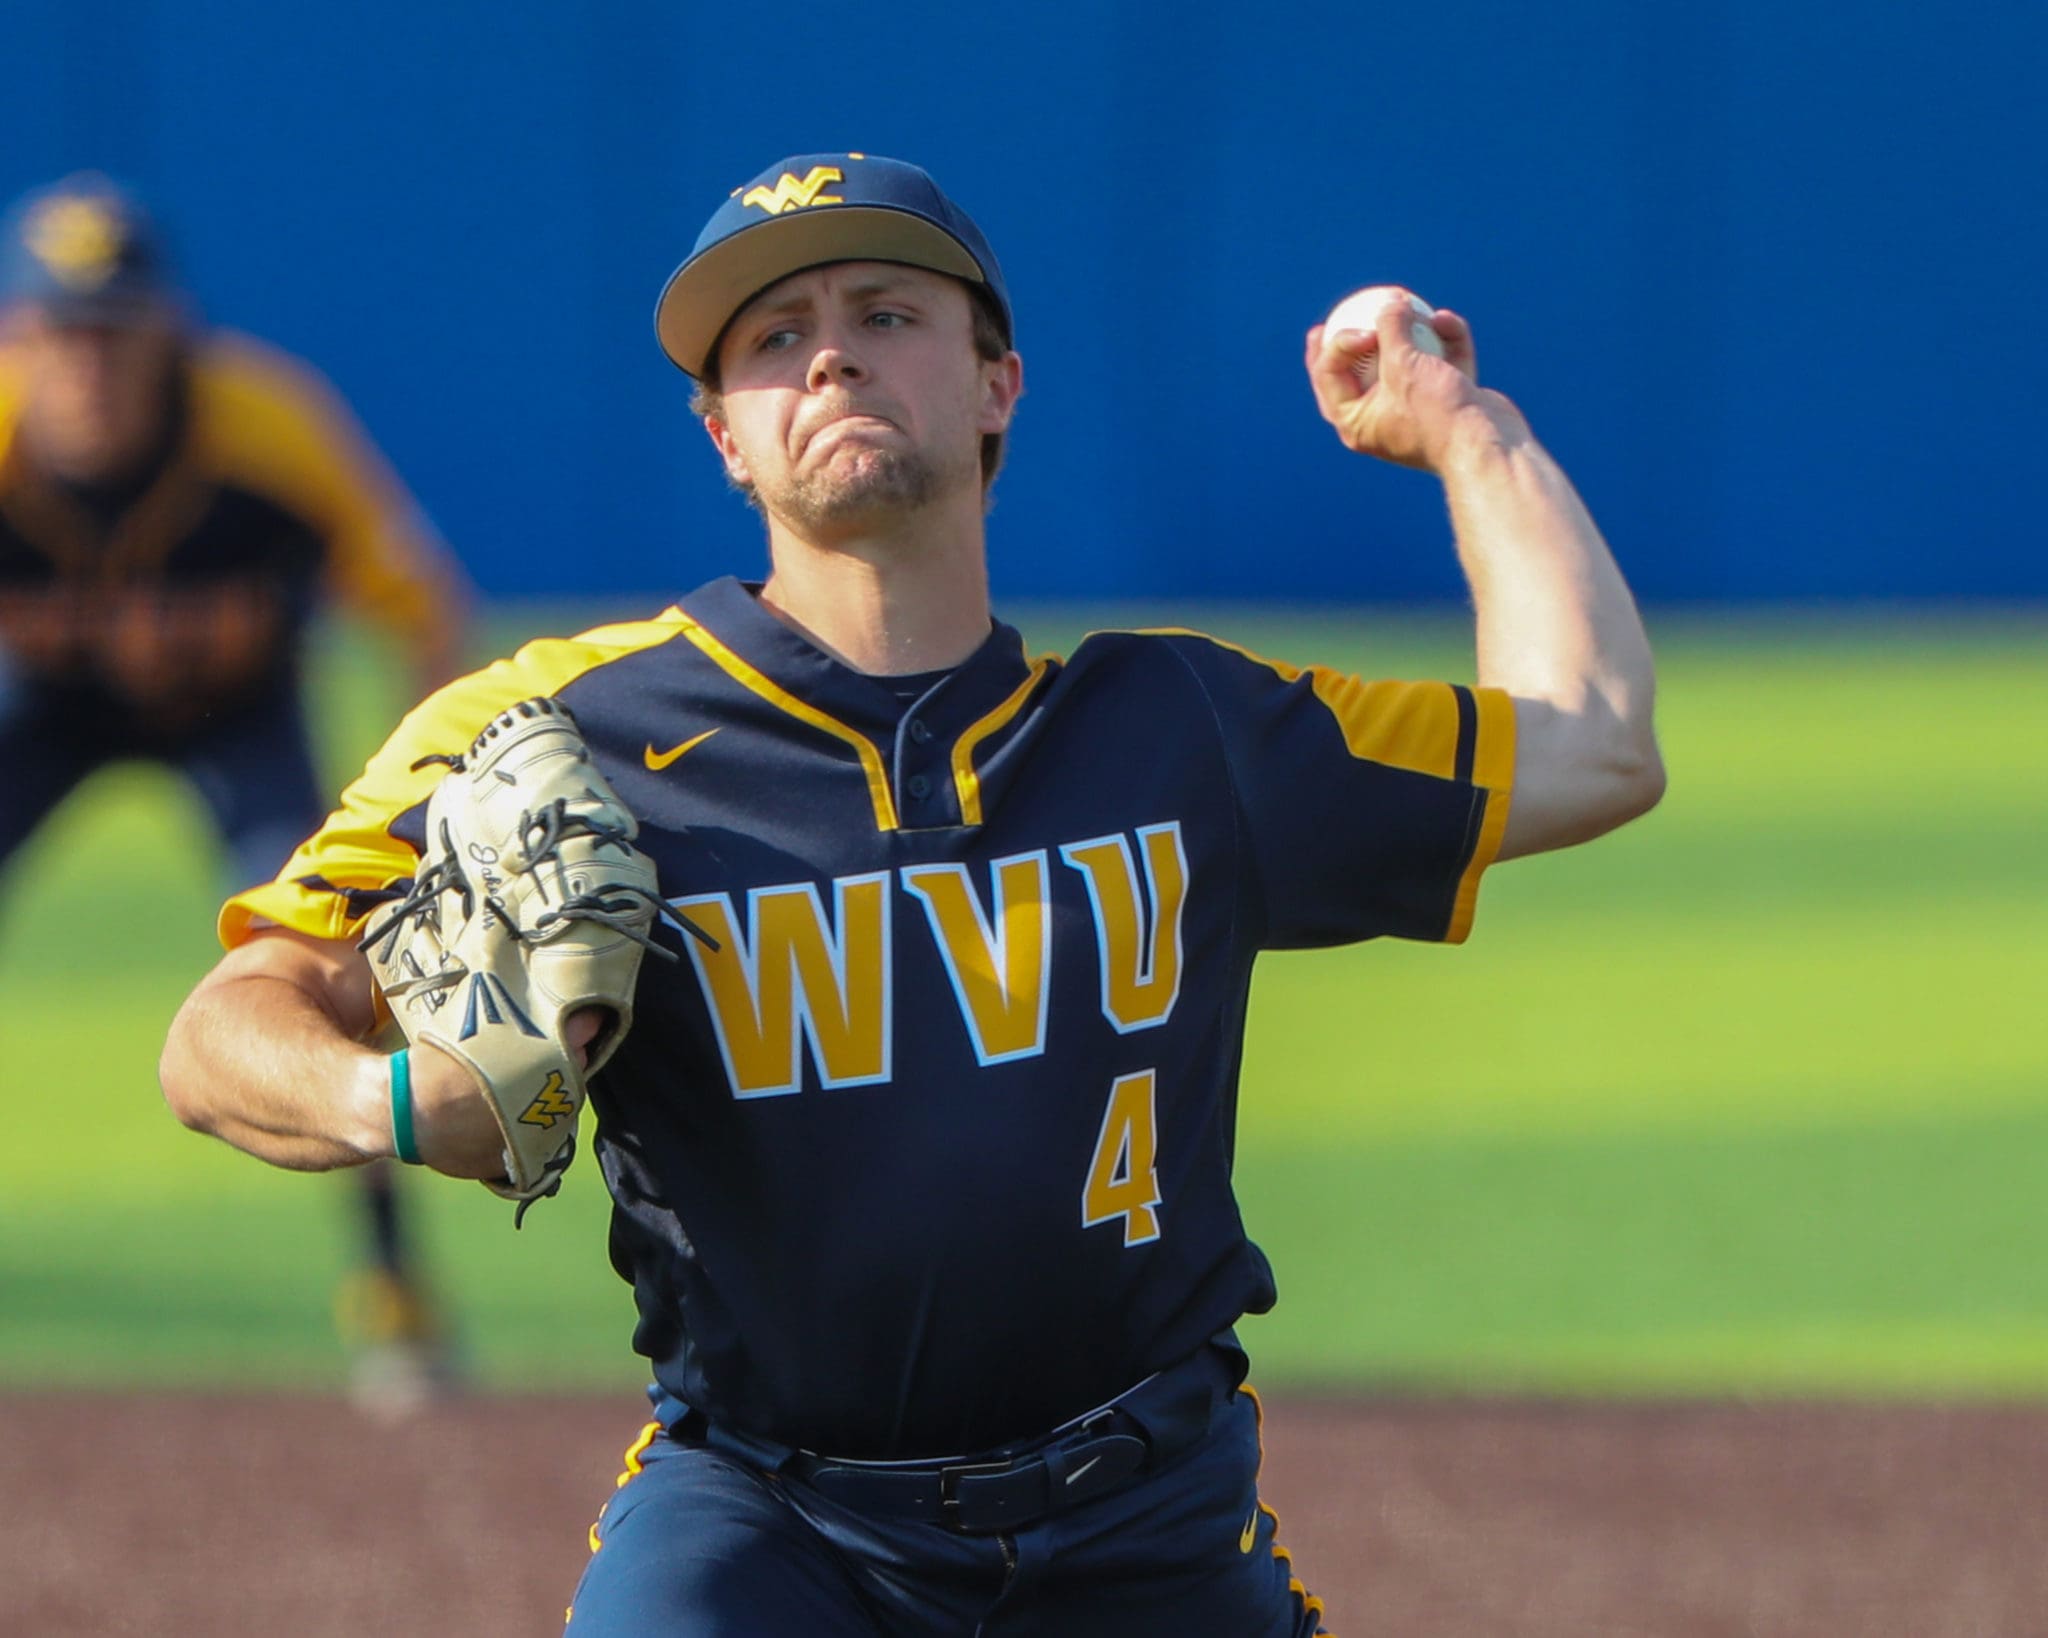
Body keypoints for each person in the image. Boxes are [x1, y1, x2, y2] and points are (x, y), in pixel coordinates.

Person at [158, 152, 1665, 1633]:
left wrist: (1471, 433)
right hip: (771, 1522)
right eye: (773, 339)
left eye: (886, 313)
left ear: (997, 382)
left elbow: (1594, 743)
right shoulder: (559, 734)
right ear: (724, 439)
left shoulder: (1182, 730)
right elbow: (222, 1030)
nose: (829, 358)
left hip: (1152, 1520)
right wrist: (398, 1103)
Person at [0, 173, 472, 1414]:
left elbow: (423, 610)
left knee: (322, 950)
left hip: (239, 715)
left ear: (169, 332)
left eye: (115, 329)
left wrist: (424, 812)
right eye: (63, 331)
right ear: (21, 336)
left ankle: (392, 1291)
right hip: (43, 713)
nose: (89, 363)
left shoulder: (267, 428)